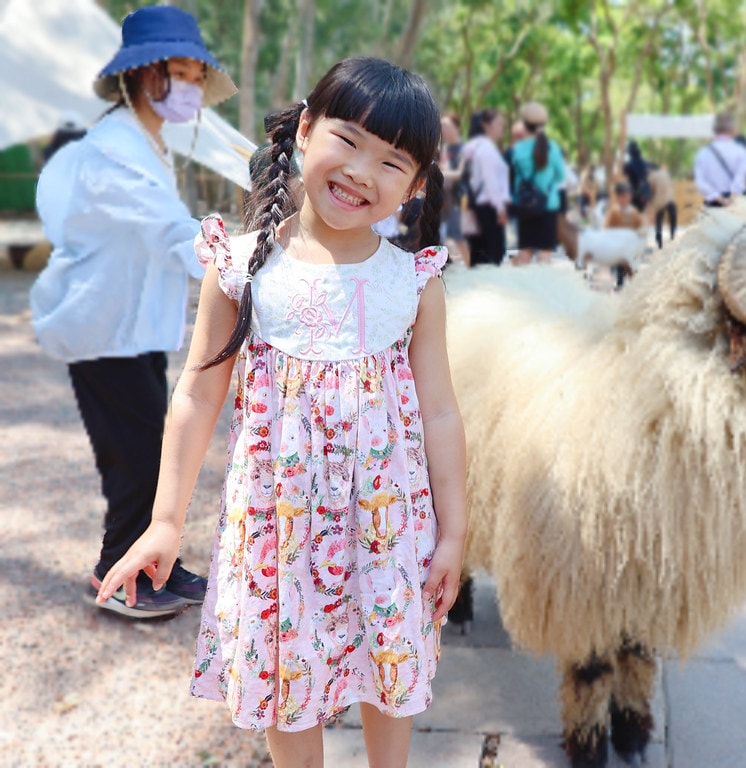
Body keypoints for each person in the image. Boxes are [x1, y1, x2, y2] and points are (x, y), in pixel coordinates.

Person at [97, 57, 468, 767]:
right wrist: (166, 520)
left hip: (387, 527)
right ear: (304, 130)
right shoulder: (240, 265)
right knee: (282, 675)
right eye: (348, 140)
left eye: (392, 161)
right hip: (278, 530)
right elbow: (199, 393)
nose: (362, 170)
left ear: (415, 187)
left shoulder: (412, 282)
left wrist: (455, 531)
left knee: (389, 666)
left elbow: (441, 411)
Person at [30, 5, 236, 619]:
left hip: (131, 324)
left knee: (150, 444)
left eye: (196, 74)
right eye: (178, 71)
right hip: (100, 327)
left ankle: (155, 563)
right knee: (139, 449)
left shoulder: (147, 139)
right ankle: (117, 574)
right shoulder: (112, 149)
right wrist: (244, 260)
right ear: (142, 74)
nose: (190, 86)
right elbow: (170, 232)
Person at [509, 101, 566, 265]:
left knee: (525, 254)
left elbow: (514, 180)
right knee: (544, 256)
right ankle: (542, 290)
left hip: (524, 207)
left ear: (524, 125)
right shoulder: (552, 148)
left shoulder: (517, 150)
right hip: (548, 206)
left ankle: (522, 290)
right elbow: (561, 176)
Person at [462, 108, 510, 266]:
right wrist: (500, 209)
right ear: (486, 125)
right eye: (499, 124)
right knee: (493, 254)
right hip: (490, 206)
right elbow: (491, 182)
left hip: (476, 204)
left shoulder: (472, 147)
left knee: (478, 251)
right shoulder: (486, 149)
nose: (502, 127)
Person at [694, 112, 746, 207]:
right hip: (734, 206)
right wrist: (731, 199)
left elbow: (700, 183)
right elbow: (739, 181)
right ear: (733, 129)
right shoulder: (741, 152)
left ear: (714, 130)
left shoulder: (703, 153)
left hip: (711, 207)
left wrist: (718, 198)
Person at [439, 112, 469, 266]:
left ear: (457, 128)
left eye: (447, 126)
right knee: (443, 233)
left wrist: (440, 173)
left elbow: (460, 173)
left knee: (458, 235)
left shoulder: (464, 148)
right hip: (445, 197)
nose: (444, 130)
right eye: (442, 127)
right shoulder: (445, 148)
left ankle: (471, 266)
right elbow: (445, 167)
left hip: (460, 197)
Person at [605, 180, 644, 287]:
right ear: (617, 197)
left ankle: (632, 280)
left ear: (630, 197)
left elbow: (639, 226)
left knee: (631, 264)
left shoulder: (633, 212)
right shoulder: (614, 212)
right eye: (621, 196)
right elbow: (607, 227)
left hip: (630, 244)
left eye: (626, 196)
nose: (624, 199)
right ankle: (619, 279)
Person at [623, 140, 651, 212]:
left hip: (634, 194)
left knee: (633, 215)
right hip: (645, 194)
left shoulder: (628, 164)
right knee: (641, 215)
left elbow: (624, 177)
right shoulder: (645, 163)